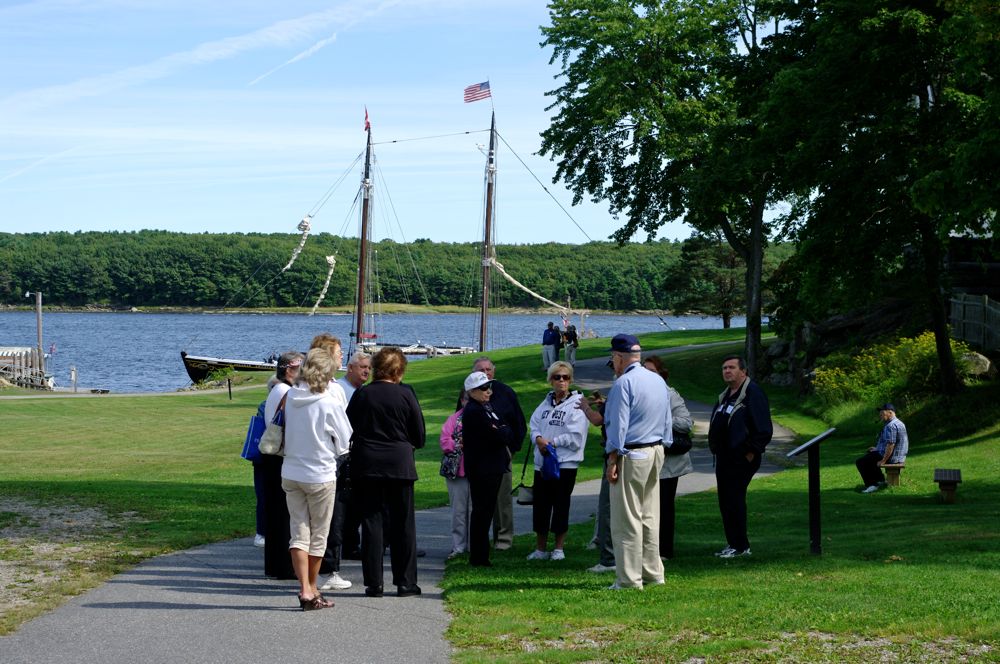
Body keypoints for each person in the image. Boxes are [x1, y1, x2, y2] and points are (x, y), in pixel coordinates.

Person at [346, 347, 426, 598]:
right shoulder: (405, 394)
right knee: (403, 524)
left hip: (367, 463)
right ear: (399, 370)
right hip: (399, 463)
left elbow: (350, 425)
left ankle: (374, 583)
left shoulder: (362, 394)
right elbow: (419, 435)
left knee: (372, 522)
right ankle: (405, 582)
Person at [281, 347, 352, 610]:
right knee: (319, 535)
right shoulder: (328, 401)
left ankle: (304, 589)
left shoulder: (290, 395)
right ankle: (312, 589)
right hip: (320, 473)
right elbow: (345, 440)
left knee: (298, 532)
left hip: (291, 471)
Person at [604, 334, 672, 589]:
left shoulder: (624, 383)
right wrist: (663, 445)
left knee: (627, 518)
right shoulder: (657, 380)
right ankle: (653, 573)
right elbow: (667, 420)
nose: (614, 363)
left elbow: (617, 426)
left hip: (632, 453)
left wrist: (613, 457)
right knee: (649, 515)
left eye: (613, 358)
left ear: (620, 357)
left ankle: (629, 579)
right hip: (656, 450)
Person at [708, 354, 773, 559]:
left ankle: (741, 546)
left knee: (735, 499)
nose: (727, 371)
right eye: (724, 368)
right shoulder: (726, 394)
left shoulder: (753, 393)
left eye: (731, 367)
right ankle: (732, 543)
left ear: (743, 371)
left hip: (742, 458)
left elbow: (763, 429)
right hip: (724, 457)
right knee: (725, 500)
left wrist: (750, 451)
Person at [526, 361, 588, 561]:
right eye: (557, 377)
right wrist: (538, 439)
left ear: (570, 380)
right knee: (541, 506)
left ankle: (559, 548)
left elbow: (575, 436)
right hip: (543, 463)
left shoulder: (577, 403)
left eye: (565, 377)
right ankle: (540, 548)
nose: (561, 381)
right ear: (550, 380)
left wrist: (551, 443)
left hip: (565, 464)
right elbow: (534, 425)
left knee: (561, 505)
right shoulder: (545, 403)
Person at [461, 370, 516, 567]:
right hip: (483, 468)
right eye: (484, 388)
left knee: (486, 511)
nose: (489, 391)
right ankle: (478, 556)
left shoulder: (486, 408)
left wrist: (501, 430)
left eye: (489, 387)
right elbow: (498, 435)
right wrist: (501, 430)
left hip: (492, 466)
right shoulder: (474, 411)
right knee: (482, 512)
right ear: (472, 391)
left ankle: (481, 554)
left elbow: (506, 429)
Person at [471, 356, 526, 551]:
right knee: (481, 501)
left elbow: (519, 424)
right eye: (481, 370)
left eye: (488, 369)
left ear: (494, 371)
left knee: (502, 499)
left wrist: (513, 449)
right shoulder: (469, 395)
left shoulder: (505, 393)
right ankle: (480, 541)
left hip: (502, 452)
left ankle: (503, 539)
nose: (486, 373)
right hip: (477, 456)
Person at [643, 355, 694, 561]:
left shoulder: (670, 395)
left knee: (664, 506)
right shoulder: (640, 394)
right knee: (646, 506)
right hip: (647, 458)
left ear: (662, 375)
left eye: (652, 372)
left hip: (669, 462)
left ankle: (664, 550)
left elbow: (686, 423)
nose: (648, 376)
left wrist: (662, 419)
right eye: (644, 372)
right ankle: (647, 549)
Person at [261, 351, 303, 580]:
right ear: (289, 370)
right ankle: (283, 565)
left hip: (273, 457)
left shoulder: (278, 390)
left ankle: (277, 565)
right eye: (300, 368)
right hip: (279, 456)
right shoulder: (285, 391)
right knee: (282, 514)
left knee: (278, 513)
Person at [577, 383, 615, 573]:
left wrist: (585, 405)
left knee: (607, 506)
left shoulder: (621, 388)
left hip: (616, 455)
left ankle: (609, 557)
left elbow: (597, 420)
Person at [440, 389, 471, 558]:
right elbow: (445, 441)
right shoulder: (454, 419)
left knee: (475, 511)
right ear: (461, 400)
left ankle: (475, 545)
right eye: (466, 399)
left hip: (477, 471)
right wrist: (460, 444)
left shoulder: (484, 416)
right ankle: (459, 546)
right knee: (458, 511)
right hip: (457, 472)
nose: (468, 402)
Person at [856, 403, 909, 493]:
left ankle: (872, 485)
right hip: (898, 456)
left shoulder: (891, 426)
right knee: (871, 455)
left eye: (882, 413)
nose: (880, 415)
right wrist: (876, 449)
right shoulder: (898, 423)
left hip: (893, 458)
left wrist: (883, 461)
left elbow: (891, 445)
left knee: (861, 462)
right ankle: (880, 480)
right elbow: (889, 443)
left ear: (890, 412)